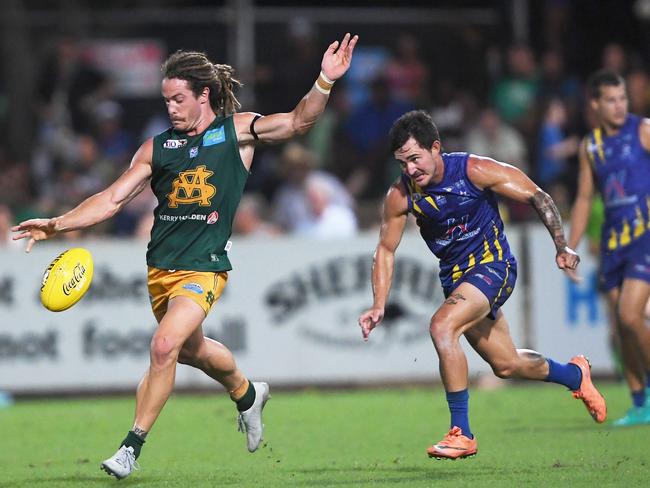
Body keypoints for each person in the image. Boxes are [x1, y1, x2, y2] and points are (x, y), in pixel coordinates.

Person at [12, 33, 358, 479]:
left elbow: (296, 123)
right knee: (194, 350)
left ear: (203, 95)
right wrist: (57, 224)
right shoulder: (156, 148)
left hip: (206, 267)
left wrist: (325, 82)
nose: (170, 108)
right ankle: (248, 394)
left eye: (178, 99)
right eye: (166, 100)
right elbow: (112, 199)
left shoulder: (237, 132)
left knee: (164, 347)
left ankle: (130, 448)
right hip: (160, 270)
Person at [358, 110, 606, 460]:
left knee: (442, 327)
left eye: (415, 158)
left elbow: (538, 196)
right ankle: (575, 375)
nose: (411, 170)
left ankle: (462, 433)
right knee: (506, 365)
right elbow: (384, 250)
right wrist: (378, 303)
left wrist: (561, 244)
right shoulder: (401, 195)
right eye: (403, 163)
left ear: (436, 148)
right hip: (458, 282)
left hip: (495, 267)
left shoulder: (474, 170)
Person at [566, 69, 650, 426]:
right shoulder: (591, 145)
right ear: (596, 104)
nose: (619, 106)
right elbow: (585, 198)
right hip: (614, 244)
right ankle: (640, 402)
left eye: (623, 99)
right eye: (611, 100)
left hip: (645, 236)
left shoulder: (643, 130)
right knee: (620, 326)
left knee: (632, 315)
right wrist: (569, 246)